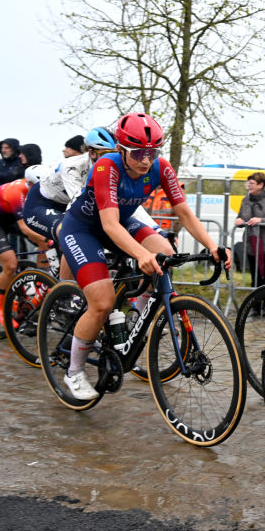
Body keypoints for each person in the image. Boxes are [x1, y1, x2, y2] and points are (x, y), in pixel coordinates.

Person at [58, 113, 229, 401]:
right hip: (84, 229)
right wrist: (140, 254)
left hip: (121, 224)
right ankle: (74, 372)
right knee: (102, 303)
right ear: (121, 149)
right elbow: (109, 224)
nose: (146, 160)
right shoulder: (106, 167)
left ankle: (137, 318)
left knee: (166, 254)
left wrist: (213, 245)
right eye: (138, 153)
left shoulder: (161, 167)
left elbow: (183, 212)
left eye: (152, 152)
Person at [0, 171, 49, 323]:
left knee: (45, 241)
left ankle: (42, 280)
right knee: (10, 264)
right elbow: (24, 228)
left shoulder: (41, 189)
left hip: (8, 216)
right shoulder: (17, 191)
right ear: (31, 184)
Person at [23, 128, 119, 245]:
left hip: (66, 203)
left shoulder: (114, 167)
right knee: (72, 235)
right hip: (41, 204)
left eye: (115, 154)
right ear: (91, 153)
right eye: (105, 154)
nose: (110, 159)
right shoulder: (72, 166)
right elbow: (79, 202)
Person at [234, 172, 265, 287]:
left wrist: (261, 220)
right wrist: (239, 221)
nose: (248, 185)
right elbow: (241, 218)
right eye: (248, 183)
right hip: (251, 244)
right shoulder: (245, 200)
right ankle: (255, 303)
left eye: (251, 183)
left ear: (261, 185)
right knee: (254, 277)